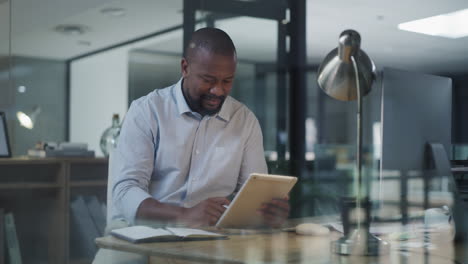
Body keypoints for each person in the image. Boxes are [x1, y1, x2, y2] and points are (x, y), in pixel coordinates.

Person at [111, 27, 289, 229]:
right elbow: (126, 190)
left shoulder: (245, 120)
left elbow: (252, 193)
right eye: (208, 80)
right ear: (185, 68)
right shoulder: (146, 111)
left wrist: (267, 212)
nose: (218, 90)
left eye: (227, 81)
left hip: (217, 236)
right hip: (152, 231)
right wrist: (184, 216)